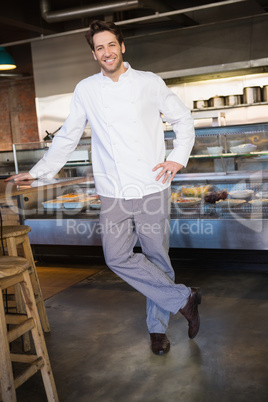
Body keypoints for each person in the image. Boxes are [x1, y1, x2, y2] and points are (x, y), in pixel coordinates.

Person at [6, 20, 201, 355]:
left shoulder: (149, 82)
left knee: (157, 258)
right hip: (112, 190)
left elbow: (183, 120)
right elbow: (67, 136)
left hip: (152, 185)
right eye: (99, 48)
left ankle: (157, 329)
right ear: (94, 54)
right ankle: (183, 297)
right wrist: (38, 173)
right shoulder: (86, 89)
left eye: (111, 45)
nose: (107, 52)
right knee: (116, 257)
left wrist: (177, 158)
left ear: (122, 47)